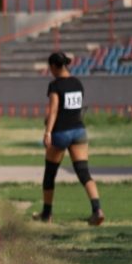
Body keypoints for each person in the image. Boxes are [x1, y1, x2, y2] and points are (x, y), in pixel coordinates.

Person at [36, 52, 104, 226]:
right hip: (79, 131)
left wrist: (47, 132)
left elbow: (53, 111)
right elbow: (75, 109)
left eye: (50, 68)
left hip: (60, 133)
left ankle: (47, 214)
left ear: (53, 66)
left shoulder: (55, 85)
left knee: (49, 174)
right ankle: (97, 209)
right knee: (83, 172)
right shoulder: (77, 83)